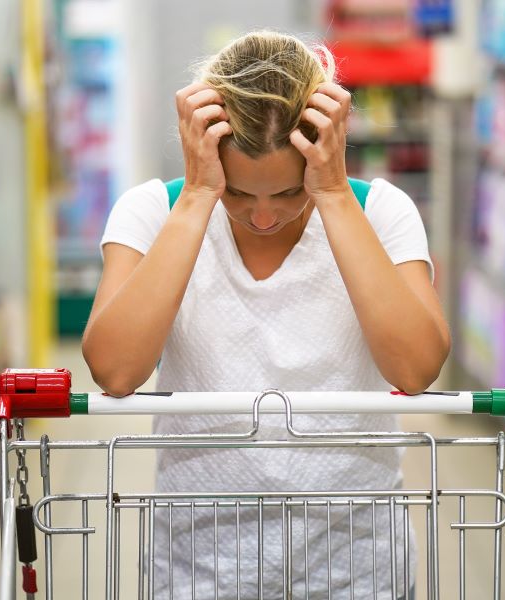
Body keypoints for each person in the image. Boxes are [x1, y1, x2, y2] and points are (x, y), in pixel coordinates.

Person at [83, 30, 450, 599]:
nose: (260, 219)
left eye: (285, 194)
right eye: (237, 194)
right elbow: (116, 370)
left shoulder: (381, 213)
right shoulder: (152, 212)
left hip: (353, 563)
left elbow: (416, 368)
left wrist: (330, 193)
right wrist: (200, 195)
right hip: (200, 562)